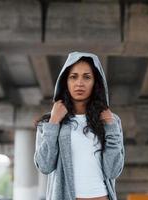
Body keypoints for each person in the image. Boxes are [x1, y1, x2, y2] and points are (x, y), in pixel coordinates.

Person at [34, 51, 125, 200]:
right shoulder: (49, 122)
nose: (79, 83)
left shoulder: (111, 121)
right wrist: (54, 122)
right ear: (66, 82)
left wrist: (110, 126)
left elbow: (113, 171)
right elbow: (45, 166)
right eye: (73, 77)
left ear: (96, 82)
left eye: (87, 77)